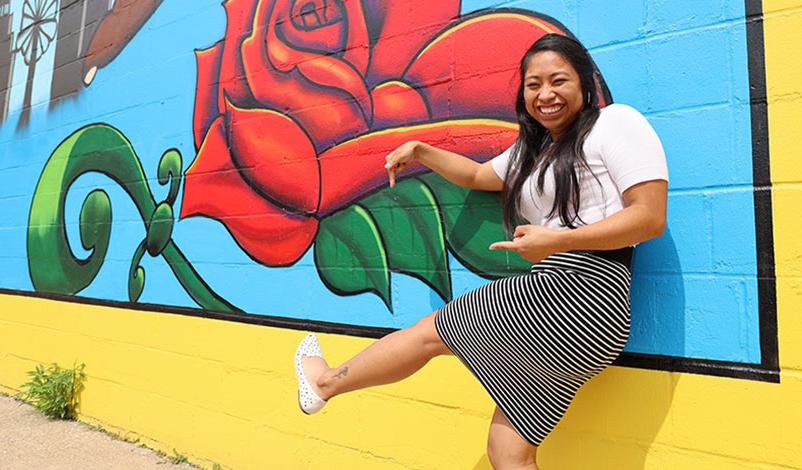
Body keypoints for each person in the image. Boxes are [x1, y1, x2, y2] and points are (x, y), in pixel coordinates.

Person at [294, 33, 668, 469]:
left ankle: (322, 385)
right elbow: (475, 176)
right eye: (533, 85)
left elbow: (650, 217)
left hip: (575, 291)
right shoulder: (536, 152)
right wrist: (419, 150)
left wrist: (558, 239)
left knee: (430, 332)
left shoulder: (615, 123)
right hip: (592, 318)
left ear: (585, 84)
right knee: (509, 451)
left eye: (558, 80)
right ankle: (323, 386)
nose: (545, 94)